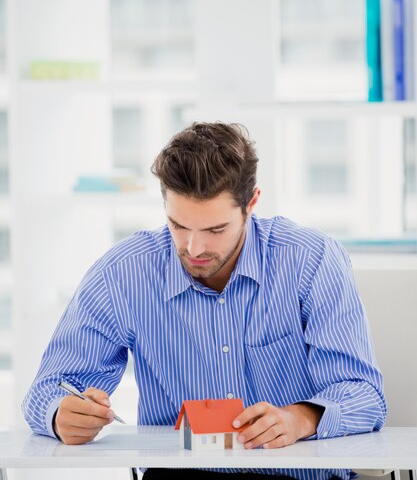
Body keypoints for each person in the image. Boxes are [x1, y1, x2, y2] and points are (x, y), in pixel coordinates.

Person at [23, 122, 386, 480]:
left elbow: (364, 394)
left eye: (215, 230)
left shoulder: (312, 260)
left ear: (251, 203)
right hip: (184, 477)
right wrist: (60, 415)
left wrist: (301, 418)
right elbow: (47, 389)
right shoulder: (122, 273)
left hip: (296, 473)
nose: (194, 249)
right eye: (178, 226)